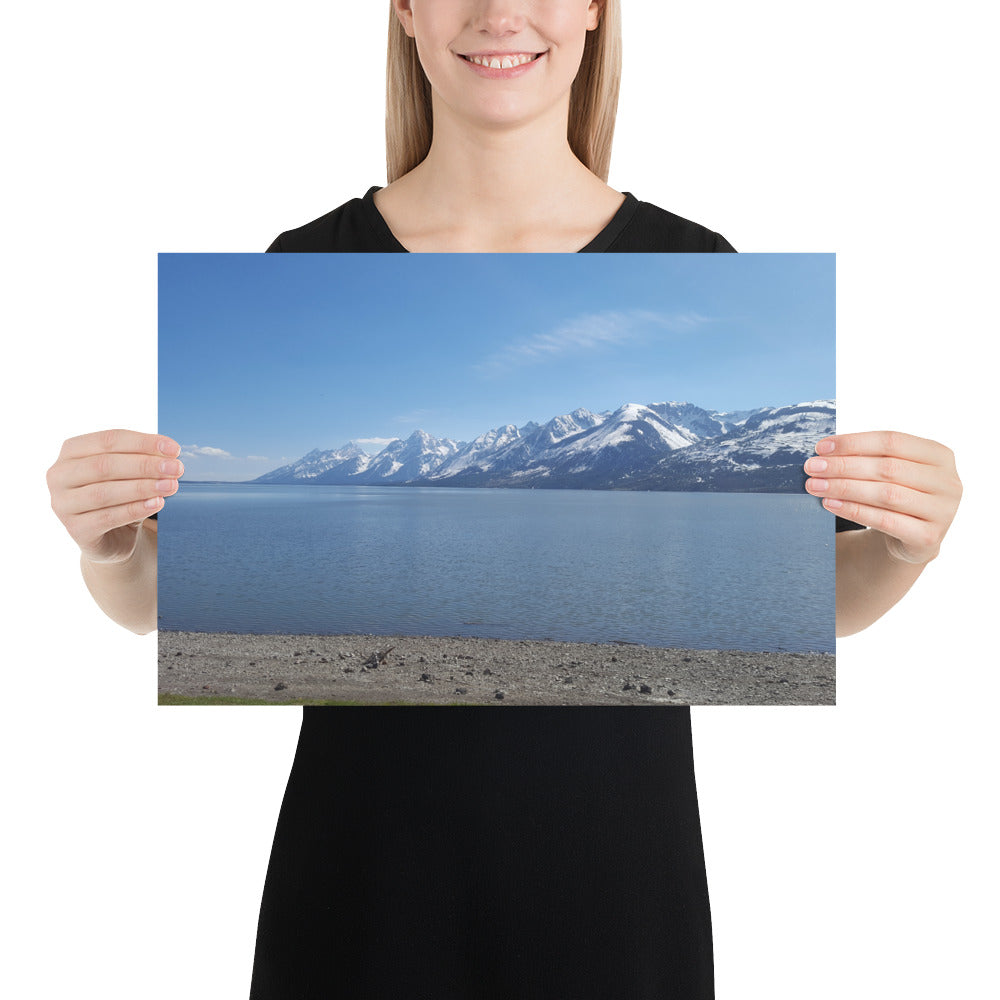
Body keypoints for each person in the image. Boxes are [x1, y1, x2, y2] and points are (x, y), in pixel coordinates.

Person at [45, 2, 962, 996]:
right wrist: (110, 545)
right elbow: (151, 606)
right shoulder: (304, 258)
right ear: (403, 10)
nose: (498, 11)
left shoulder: (697, 261)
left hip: (615, 879)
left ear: (595, 11)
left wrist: (904, 546)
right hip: (361, 874)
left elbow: (814, 603)